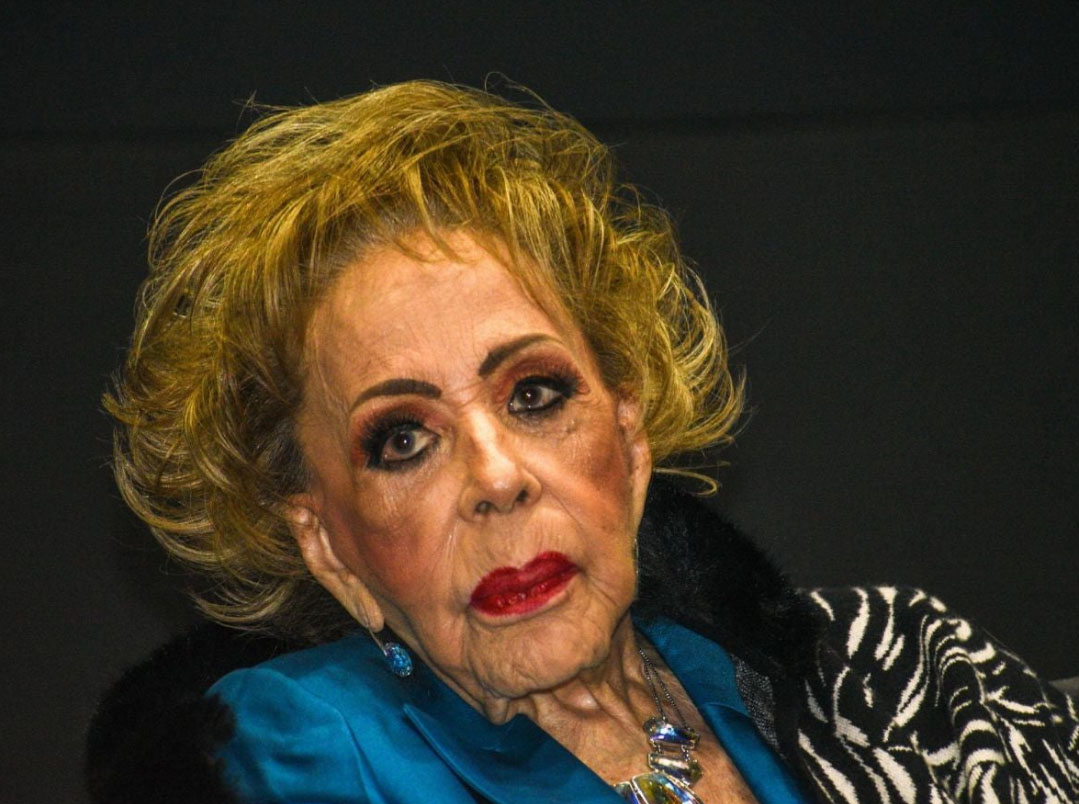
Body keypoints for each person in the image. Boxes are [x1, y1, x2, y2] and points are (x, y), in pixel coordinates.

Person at [88, 81, 1079, 804]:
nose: (495, 477)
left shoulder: (887, 677)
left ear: (629, 435)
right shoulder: (284, 755)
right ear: (329, 545)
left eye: (533, 394)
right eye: (402, 441)